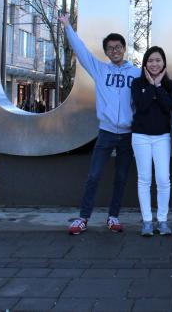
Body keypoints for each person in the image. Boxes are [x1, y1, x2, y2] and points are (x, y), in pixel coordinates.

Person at [59, 14, 141, 235]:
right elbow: (82, 50)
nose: (115, 51)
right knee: (94, 176)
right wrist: (68, 27)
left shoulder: (136, 73)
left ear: (124, 48)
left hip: (127, 135)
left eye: (118, 47)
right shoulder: (100, 70)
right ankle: (83, 218)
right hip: (105, 133)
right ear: (106, 52)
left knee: (121, 177)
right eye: (110, 48)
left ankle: (113, 217)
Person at [130, 46, 172, 237]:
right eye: (150, 60)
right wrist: (150, 86)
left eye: (158, 60)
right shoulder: (136, 83)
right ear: (145, 63)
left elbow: (168, 107)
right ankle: (148, 221)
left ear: (164, 62)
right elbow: (141, 106)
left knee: (163, 179)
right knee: (144, 179)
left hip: (162, 137)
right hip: (140, 136)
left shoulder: (170, 85)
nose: (154, 64)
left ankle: (163, 220)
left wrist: (158, 86)